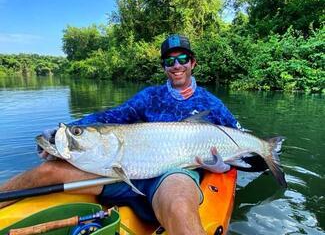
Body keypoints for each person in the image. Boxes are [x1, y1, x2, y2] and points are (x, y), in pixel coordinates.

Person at [0, 34, 241, 234]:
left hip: (173, 173)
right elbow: (112, 116)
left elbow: (243, 141)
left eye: (182, 59)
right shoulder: (149, 96)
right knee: (48, 170)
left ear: (192, 63)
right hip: (120, 171)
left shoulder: (213, 103)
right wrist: (65, 129)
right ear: (164, 67)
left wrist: (224, 166)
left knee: (178, 205)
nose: (176, 65)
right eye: (170, 61)